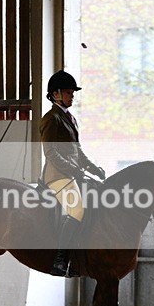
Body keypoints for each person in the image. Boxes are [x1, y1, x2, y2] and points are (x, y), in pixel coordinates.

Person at [39, 70, 106, 277]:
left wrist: (92, 168)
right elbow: (50, 152)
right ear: (56, 94)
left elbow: (77, 150)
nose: (72, 96)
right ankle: (60, 261)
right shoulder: (51, 119)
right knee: (77, 210)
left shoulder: (70, 118)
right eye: (69, 92)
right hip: (57, 176)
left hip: (71, 174)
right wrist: (74, 170)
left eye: (72, 93)